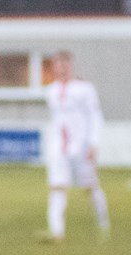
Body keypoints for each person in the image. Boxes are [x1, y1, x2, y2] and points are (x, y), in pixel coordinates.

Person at [42, 50, 109, 242]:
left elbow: (95, 117)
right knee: (57, 187)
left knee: (90, 186)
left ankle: (103, 223)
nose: (61, 69)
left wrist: (93, 143)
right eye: (57, 65)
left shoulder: (84, 89)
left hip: (81, 146)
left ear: (70, 66)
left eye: (64, 65)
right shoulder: (51, 91)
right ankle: (57, 232)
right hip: (59, 146)